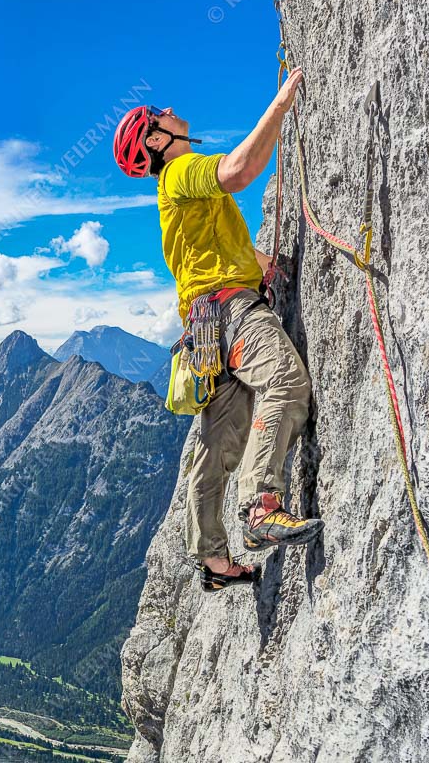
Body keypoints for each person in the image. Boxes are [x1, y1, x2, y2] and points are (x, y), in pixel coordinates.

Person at [112, 68, 321, 591]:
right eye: (157, 114)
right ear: (158, 140)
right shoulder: (181, 173)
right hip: (232, 313)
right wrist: (280, 107)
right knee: (285, 383)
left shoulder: (178, 196)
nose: (168, 109)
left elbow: (217, 246)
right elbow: (237, 171)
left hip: (206, 334)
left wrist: (266, 263)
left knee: (217, 445)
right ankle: (262, 505)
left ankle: (211, 557)